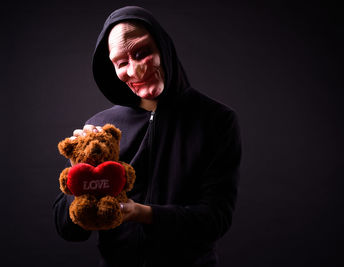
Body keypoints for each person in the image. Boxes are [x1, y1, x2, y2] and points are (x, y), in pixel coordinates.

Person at [53, 6, 241, 267]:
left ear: (163, 48)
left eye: (143, 53)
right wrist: (80, 178)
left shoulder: (216, 120)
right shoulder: (99, 128)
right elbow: (69, 231)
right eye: (121, 63)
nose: (136, 70)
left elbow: (215, 219)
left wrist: (142, 214)